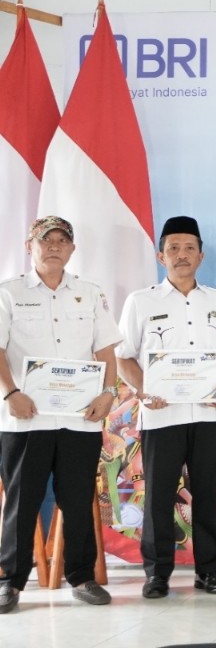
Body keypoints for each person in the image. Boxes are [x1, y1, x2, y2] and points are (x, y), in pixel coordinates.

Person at [0, 217, 122, 613]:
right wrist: (11, 392)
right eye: (45, 240)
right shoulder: (8, 293)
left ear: (72, 248)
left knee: (78, 499)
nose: (54, 246)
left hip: (79, 418)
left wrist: (108, 392)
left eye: (62, 240)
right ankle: (9, 582)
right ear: (29, 246)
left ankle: (82, 578)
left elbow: (106, 351)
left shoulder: (90, 293)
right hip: (25, 418)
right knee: (22, 501)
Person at [116, 216, 216, 599]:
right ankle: (157, 573)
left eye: (189, 248)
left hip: (211, 415)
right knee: (159, 497)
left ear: (201, 255)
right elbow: (124, 356)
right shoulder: (141, 301)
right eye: (173, 249)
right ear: (160, 256)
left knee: (209, 495)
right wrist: (145, 389)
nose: (182, 255)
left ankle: (210, 572)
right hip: (161, 414)